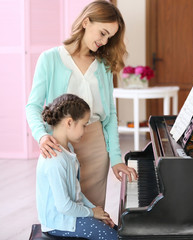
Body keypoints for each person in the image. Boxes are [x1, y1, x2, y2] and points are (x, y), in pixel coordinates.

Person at [26, 0, 137, 208]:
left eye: (110, 37)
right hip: (60, 148)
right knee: (64, 212)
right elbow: (32, 106)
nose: (104, 41)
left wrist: (115, 158)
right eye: (103, 33)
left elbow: (110, 115)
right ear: (86, 22)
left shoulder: (103, 66)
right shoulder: (49, 59)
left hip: (96, 147)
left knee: (94, 213)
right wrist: (41, 136)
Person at [37, 93, 117, 239]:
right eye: (84, 125)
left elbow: (76, 192)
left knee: (118, 231)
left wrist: (94, 209)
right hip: (60, 223)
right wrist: (92, 213)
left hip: (71, 216)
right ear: (69, 122)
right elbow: (64, 206)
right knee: (112, 237)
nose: (85, 130)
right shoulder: (55, 159)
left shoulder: (68, 150)